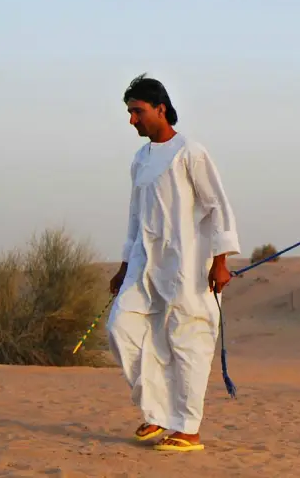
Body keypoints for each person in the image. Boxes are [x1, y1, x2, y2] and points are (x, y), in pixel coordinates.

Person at [106, 73, 241, 453]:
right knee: (122, 327)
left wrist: (220, 261)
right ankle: (158, 412)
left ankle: (189, 428)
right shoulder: (140, 159)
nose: (132, 120)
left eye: (138, 111)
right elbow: (135, 215)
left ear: (161, 109)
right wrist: (123, 264)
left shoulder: (190, 152)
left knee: (189, 339)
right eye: (130, 112)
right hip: (143, 262)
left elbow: (218, 208)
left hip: (188, 262)